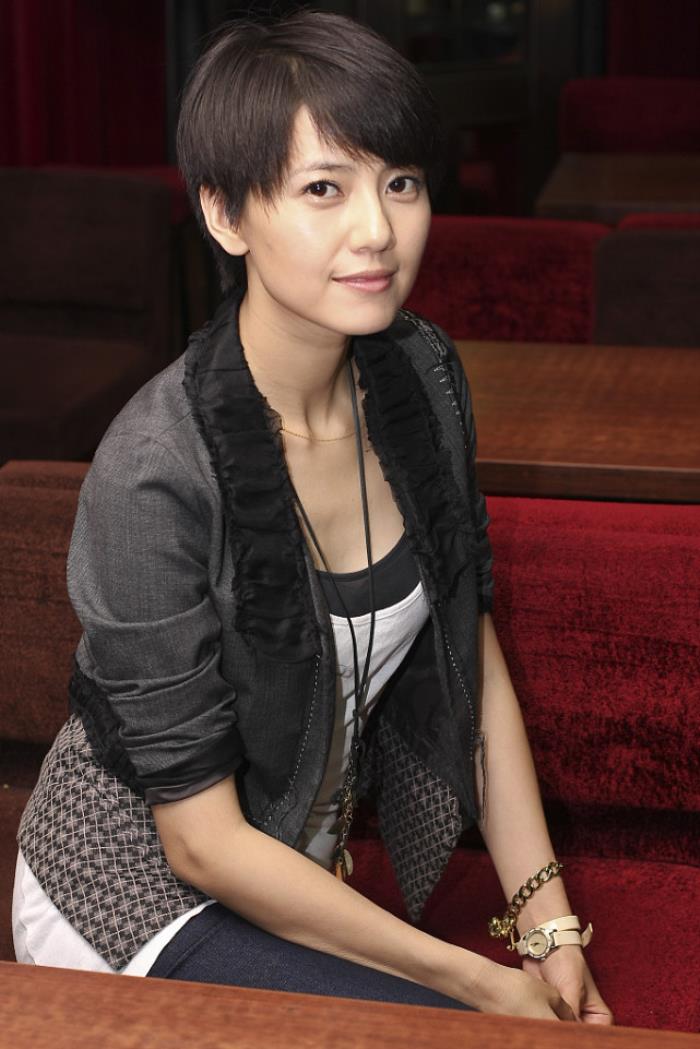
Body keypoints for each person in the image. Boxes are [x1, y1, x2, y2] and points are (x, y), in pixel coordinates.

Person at [13, 10, 612, 1024]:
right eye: (324, 189)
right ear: (225, 214)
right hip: (137, 891)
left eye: (401, 182)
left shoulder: (421, 373)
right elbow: (200, 842)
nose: (376, 228)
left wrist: (548, 924)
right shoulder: (155, 467)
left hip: (302, 876)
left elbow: (468, 656)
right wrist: (471, 976)